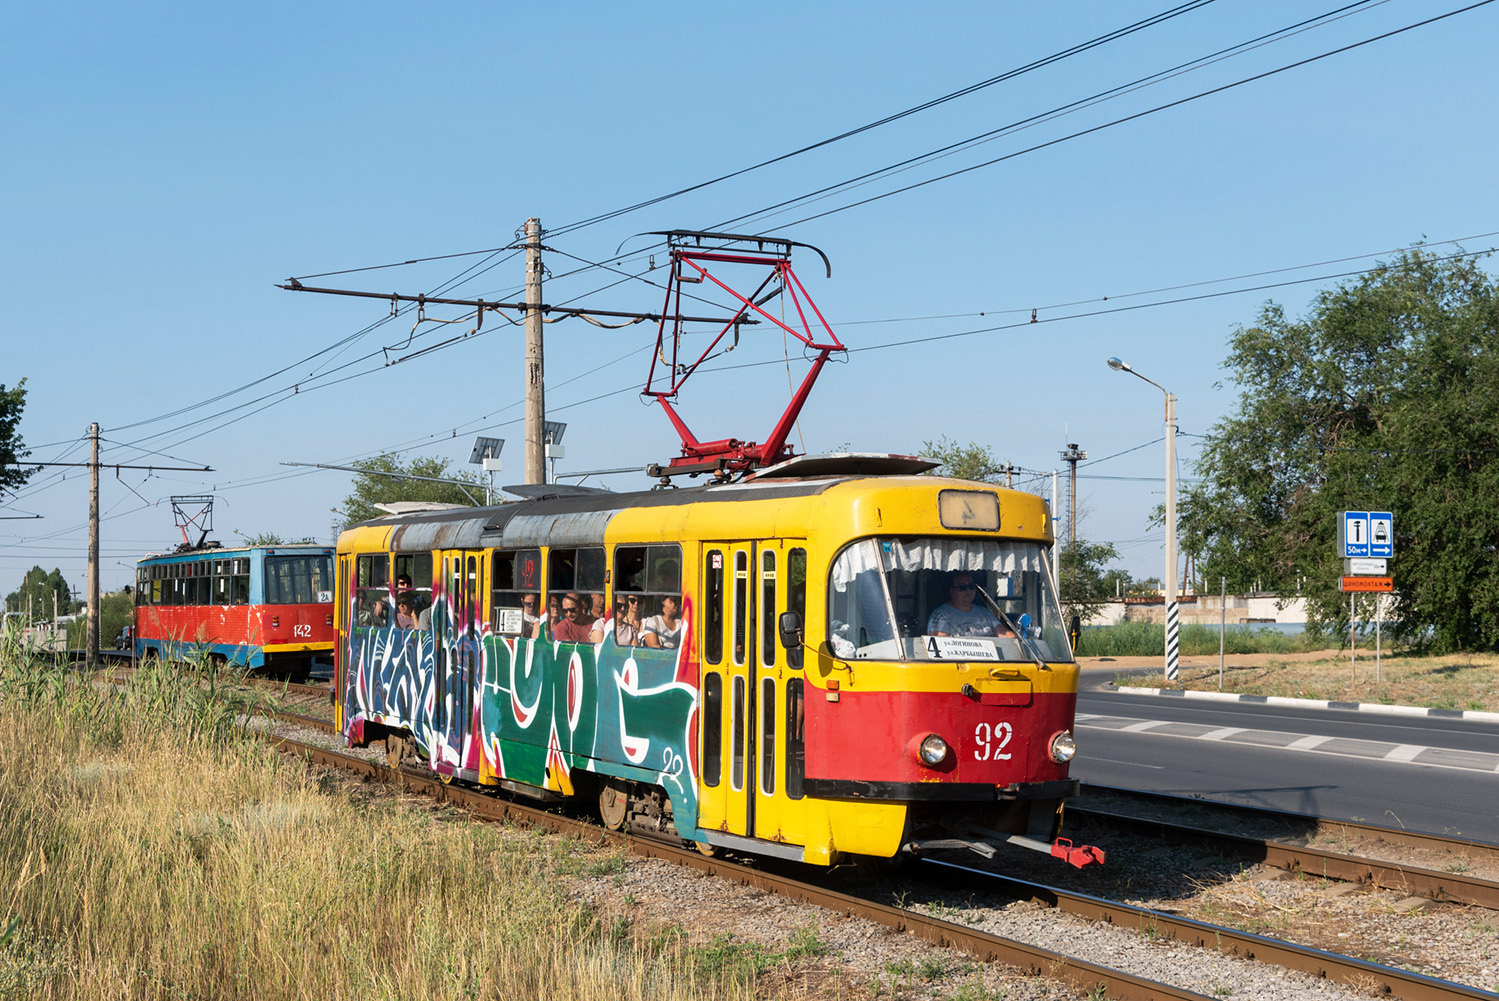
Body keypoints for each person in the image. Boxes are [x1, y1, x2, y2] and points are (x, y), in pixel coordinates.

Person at [927, 572, 1003, 637]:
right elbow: (940, 644)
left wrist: (1013, 638)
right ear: (952, 591)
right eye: (962, 587)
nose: (968, 590)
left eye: (971, 586)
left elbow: (1002, 633)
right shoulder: (941, 616)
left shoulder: (985, 612)